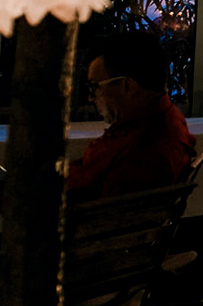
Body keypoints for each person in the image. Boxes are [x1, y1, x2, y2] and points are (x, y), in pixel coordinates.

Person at [67, 32, 195, 201]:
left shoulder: (142, 152)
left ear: (127, 86)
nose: (91, 97)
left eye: (94, 87)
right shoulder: (166, 121)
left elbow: (109, 211)